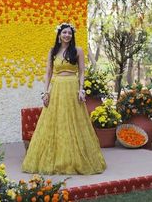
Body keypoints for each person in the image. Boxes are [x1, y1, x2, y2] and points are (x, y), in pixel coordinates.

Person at [22, 22, 106, 174]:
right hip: (57, 88)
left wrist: (81, 90)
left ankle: (75, 159)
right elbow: (48, 72)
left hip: (72, 87)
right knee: (56, 121)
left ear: (72, 35)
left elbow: (81, 71)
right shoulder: (53, 51)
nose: (67, 35)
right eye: (64, 32)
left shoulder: (78, 51)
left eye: (69, 33)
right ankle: (56, 159)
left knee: (74, 121)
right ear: (59, 34)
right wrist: (45, 92)